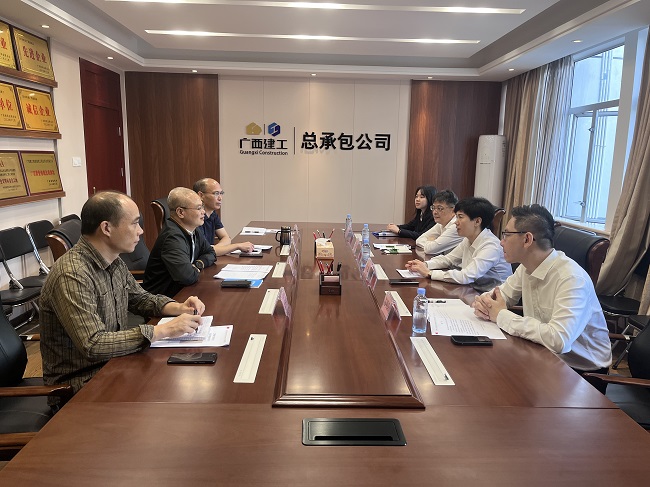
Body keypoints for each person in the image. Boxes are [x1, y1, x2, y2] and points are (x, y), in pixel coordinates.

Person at [40, 191, 205, 403]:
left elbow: (139, 299)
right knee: (172, 396)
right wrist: (163, 330)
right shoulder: (72, 274)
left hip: (114, 364)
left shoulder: (114, 260)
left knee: (179, 385)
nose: (141, 231)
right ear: (106, 228)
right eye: (135, 224)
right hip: (80, 386)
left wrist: (178, 307)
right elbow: (93, 344)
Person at [472, 204, 612, 390]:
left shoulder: (571, 278)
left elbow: (558, 340)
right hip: (540, 352)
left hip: (580, 373)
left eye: (506, 235)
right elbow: (498, 297)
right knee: (484, 376)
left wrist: (501, 315)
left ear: (527, 239)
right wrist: (484, 302)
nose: (501, 242)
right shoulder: (526, 266)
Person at [406, 197, 512, 291]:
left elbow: (466, 276)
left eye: (460, 217)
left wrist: (429, 273)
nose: (456, 222)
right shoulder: (468, 239)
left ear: (477, 221)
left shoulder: (491, 246)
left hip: (493, 298)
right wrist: (424, 265)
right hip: (473, 291)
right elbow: (448, 260)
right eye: (456, 217)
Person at [143, 187, 217, 297]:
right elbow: (187, 277)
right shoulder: (172, 238)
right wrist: (192, 269)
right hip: (163, 299)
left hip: (182, 291)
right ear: (181, 212)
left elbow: (211, 253)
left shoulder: (193, 229)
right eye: (198, 208)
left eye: (202, 206)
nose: (203, 212)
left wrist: (198, 264)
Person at [193, 178, 254, 256]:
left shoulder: (213, 214)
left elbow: (226, 237)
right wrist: (237, 246)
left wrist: (215, 249)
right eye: (216, 193)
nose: (220, 198)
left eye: (221, 193)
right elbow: (204, 251)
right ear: (201, 195)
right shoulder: (195, 218)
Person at [415, 189, 464, 255]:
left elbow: (431, 249)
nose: (435, 212)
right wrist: (431, 243)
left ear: (453, 210)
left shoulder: (456, 226)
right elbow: (419, 240)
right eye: (433, 208)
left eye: (439, 208)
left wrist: (431, 242)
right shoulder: (441, 223)